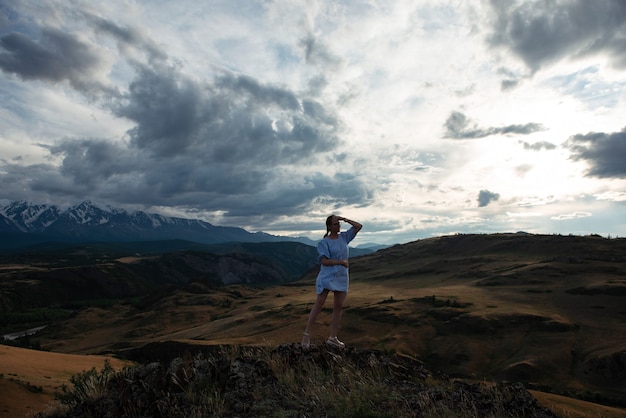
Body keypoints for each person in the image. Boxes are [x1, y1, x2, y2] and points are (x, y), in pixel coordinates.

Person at [302, 215, 362, 349]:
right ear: (329, 226)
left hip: (341, 276)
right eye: (335, 224)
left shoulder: (344, 237)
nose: (338, 226)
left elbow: (358, 226)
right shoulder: (324, 242)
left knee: (338, 307)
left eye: (338, 224)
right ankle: (306, 334)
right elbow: (324, 261)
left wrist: (345, 219)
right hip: (327, 276)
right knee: (319, 304)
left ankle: (333, 338)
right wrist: (341, 262)